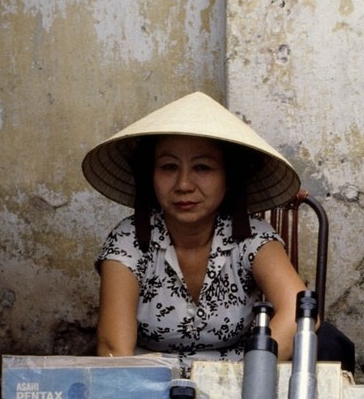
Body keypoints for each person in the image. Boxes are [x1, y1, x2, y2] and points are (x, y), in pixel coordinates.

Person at [83, 91, 308, 364]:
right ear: (149, 175)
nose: (184, 185)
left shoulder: (251, 236)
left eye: (202, 167)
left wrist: (249, 375)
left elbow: (300, 313)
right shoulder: (129, 240)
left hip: (239, 381)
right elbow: (114, 349)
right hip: (151, 385)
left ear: (229, 177)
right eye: (168, 167)